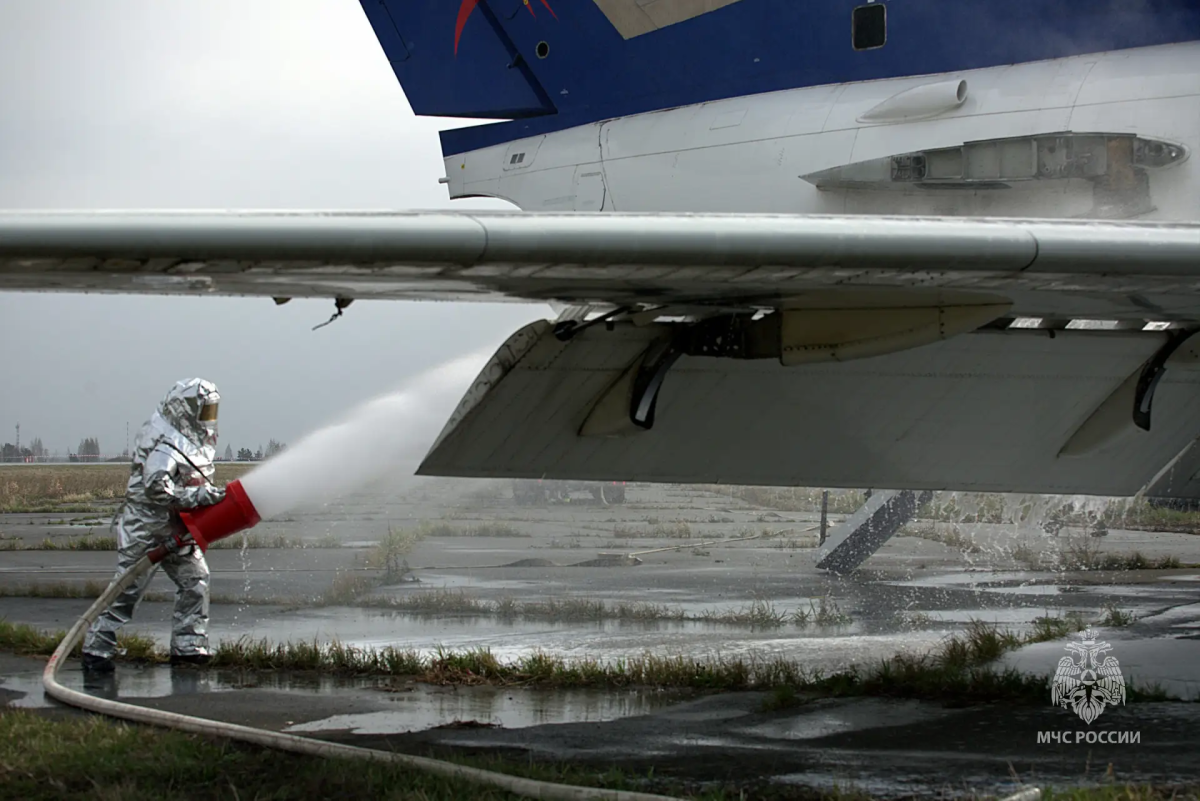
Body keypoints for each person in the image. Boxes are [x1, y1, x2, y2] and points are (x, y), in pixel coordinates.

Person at [82, 378, 227, 673]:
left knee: (195, 581)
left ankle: (189, 647)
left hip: (177, 526)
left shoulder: (191, 439)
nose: (209, 418)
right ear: (187, 409)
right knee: (127, 589)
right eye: (205, 410)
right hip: (146, 528)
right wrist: (199, 496)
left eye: (212, 411)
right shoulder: (168, 441)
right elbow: (156, 488)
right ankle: (97, 648)